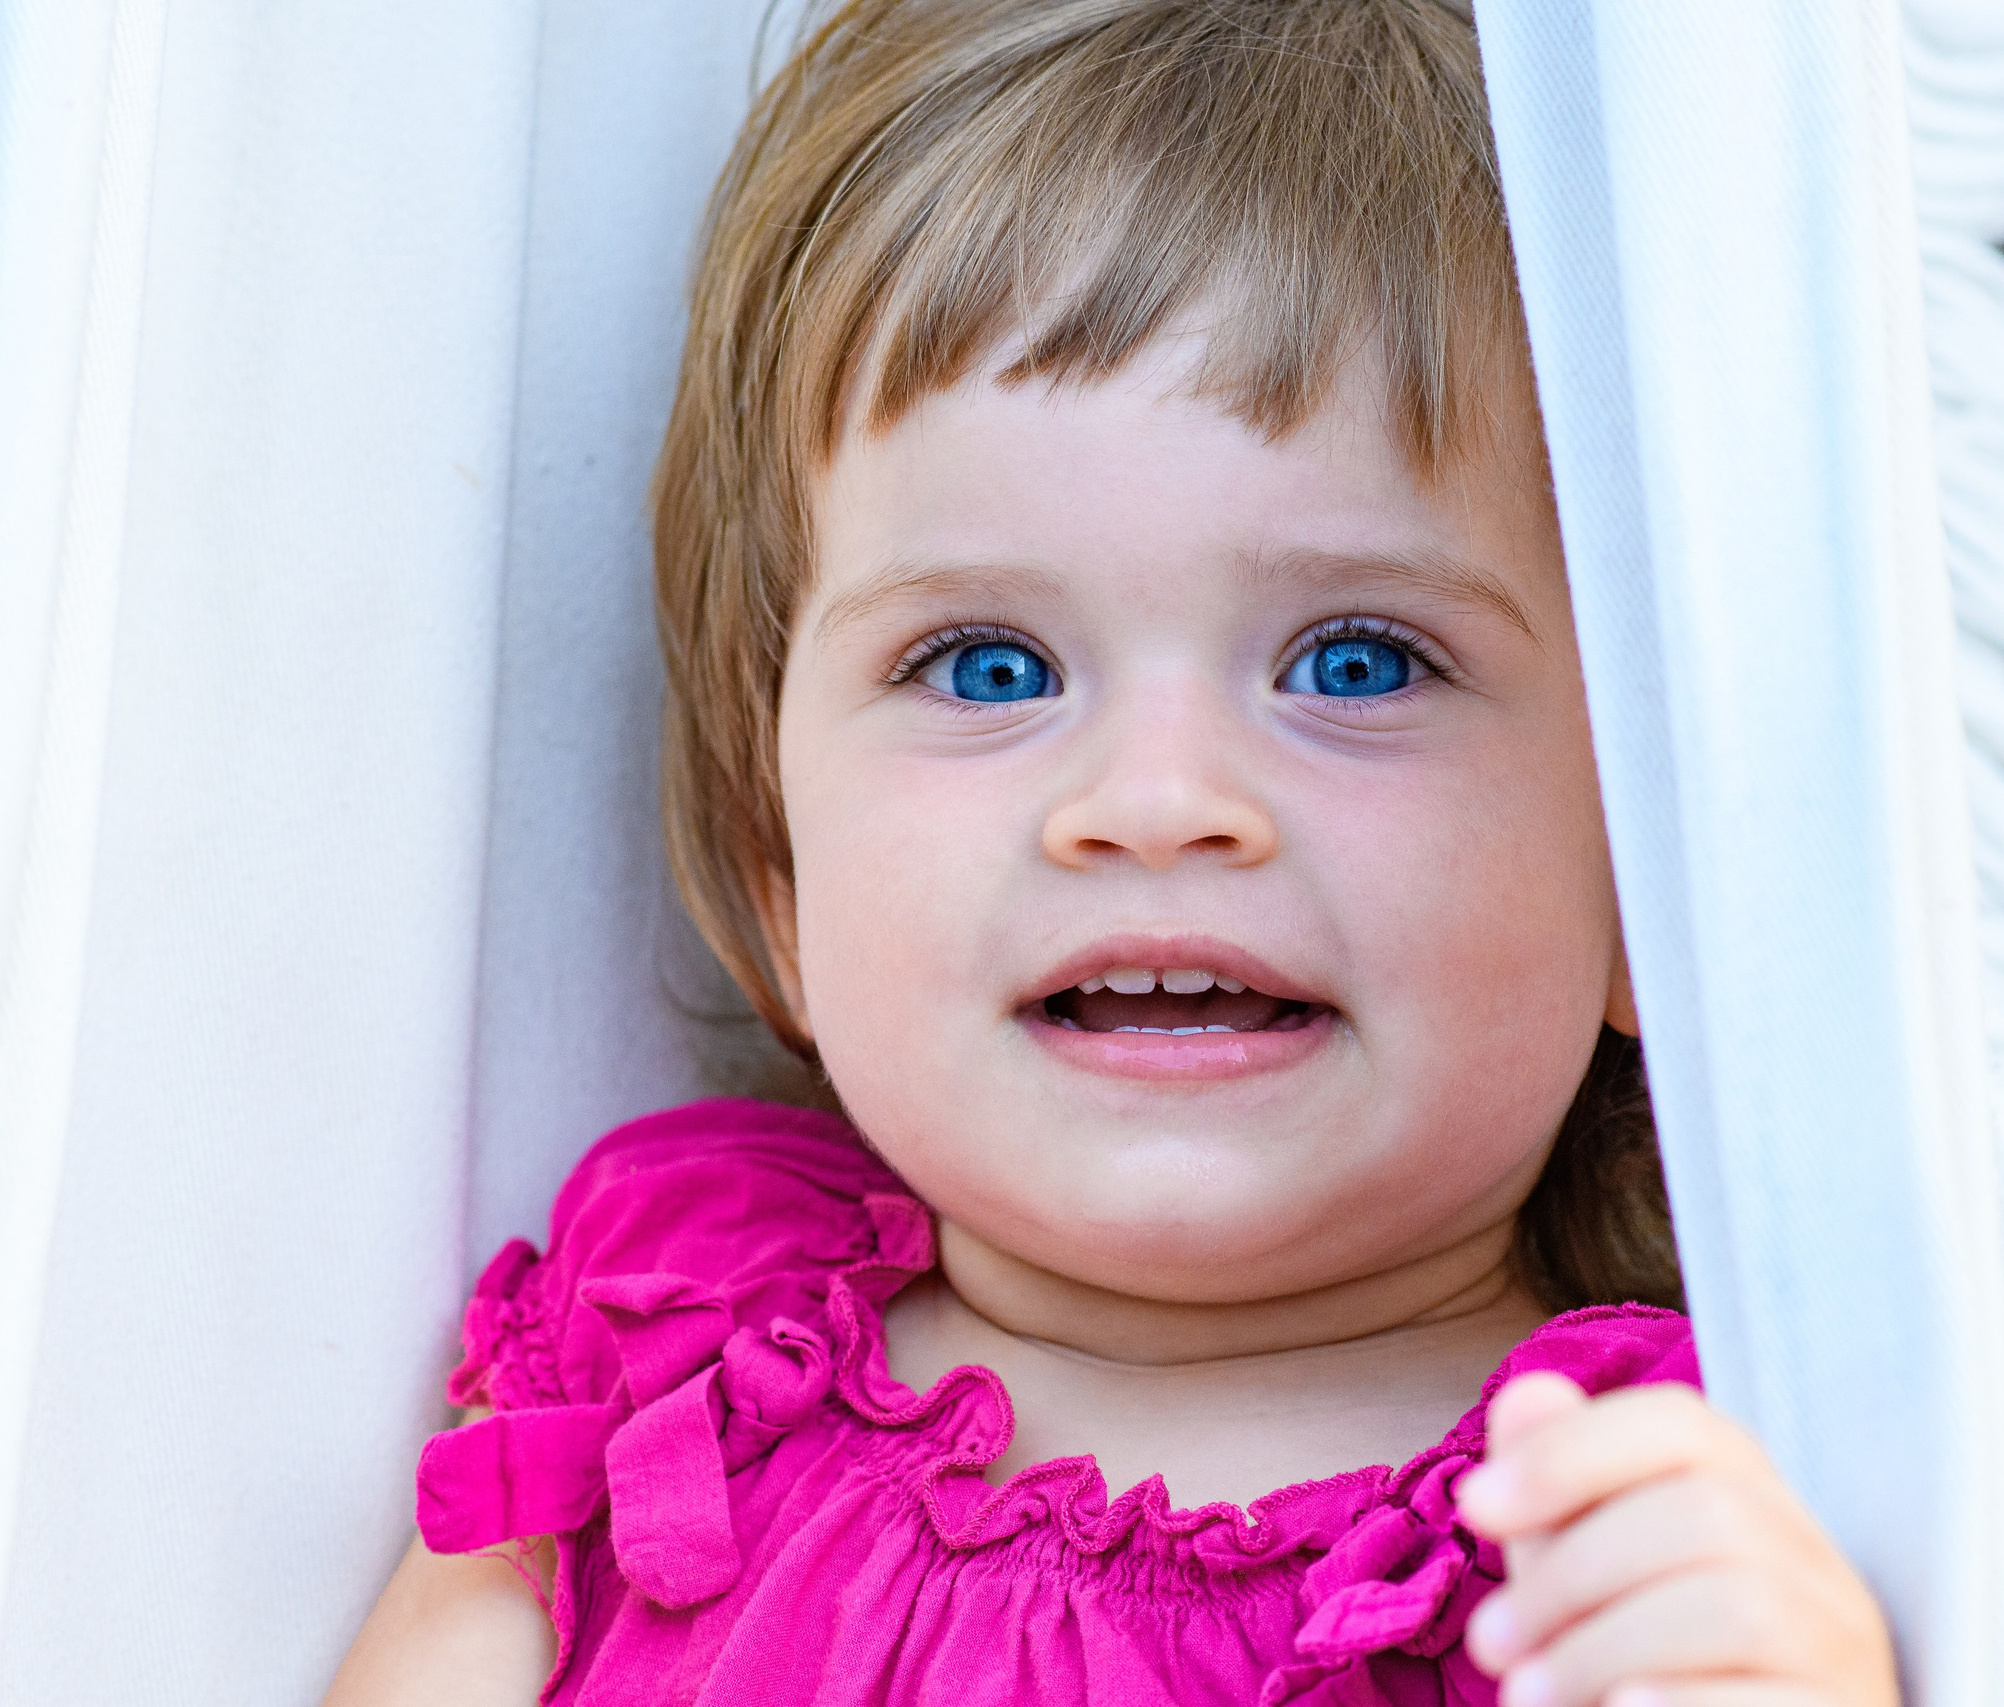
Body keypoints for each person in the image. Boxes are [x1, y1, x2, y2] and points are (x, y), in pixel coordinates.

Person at [326, 2, 1898, 1702]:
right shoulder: (659, 1391)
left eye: (1356, 662)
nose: (1155, 801)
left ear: (1652, 889)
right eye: (988, 668)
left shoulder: (1648, 1547)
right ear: (778, 880)